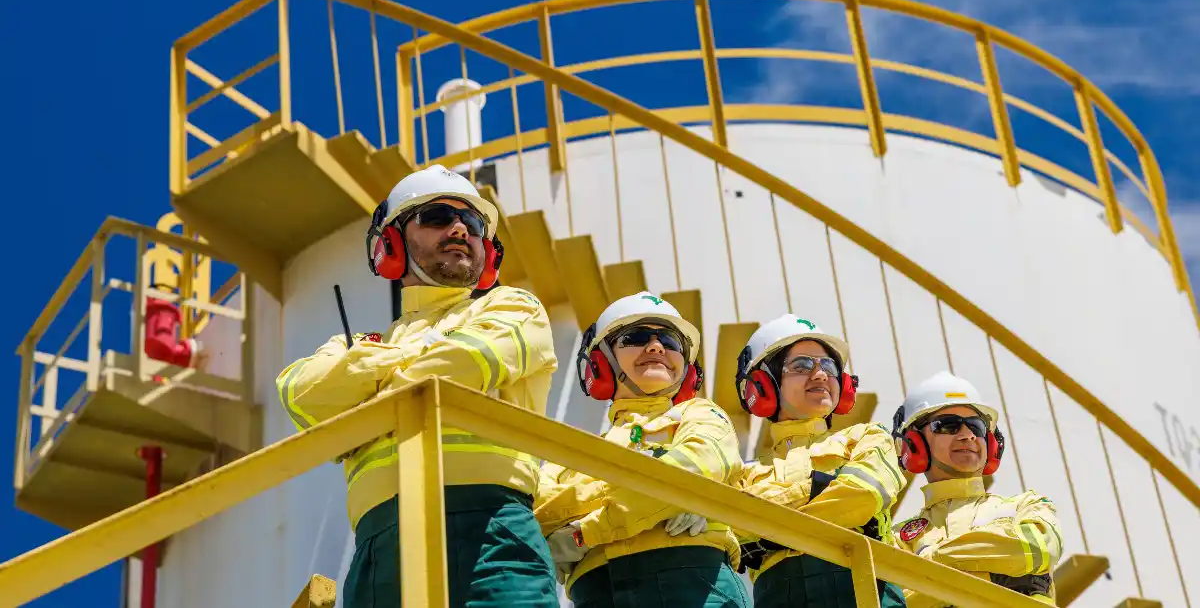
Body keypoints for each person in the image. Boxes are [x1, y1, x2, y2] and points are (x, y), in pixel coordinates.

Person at [275, 165, 559, 608]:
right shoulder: (358, 343)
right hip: (377, 543)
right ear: (390, 245)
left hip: (489, 528)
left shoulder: (514, 307)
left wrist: (366, 398)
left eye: (474, 223)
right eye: (438, 217)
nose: (460, 229)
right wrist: (408, 359)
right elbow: (299, 396)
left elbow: (465, 360)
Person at [534, 292, 750, 608]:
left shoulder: (703, 415)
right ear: (601, 363)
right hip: (598, 591)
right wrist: (669, 499)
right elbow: (541, 510)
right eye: (635, 337)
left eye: (671, 342)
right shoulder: (572, 454)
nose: (656, 347)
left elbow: (698, 465)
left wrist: (588, 531)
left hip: (693, 580)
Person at [734, 315, 907, 608]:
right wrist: (819, 488)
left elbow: (863, 496)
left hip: (867, 590)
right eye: (801, 366)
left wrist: (767, 520)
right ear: (762, 384)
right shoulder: (743, 471)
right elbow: (731, 526)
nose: (820, 375)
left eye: (828, 366)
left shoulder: (868, 437)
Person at [891, 372, 1062, 607]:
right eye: (949, 426)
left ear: (992, 444)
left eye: (976, 427)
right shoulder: (897, 538)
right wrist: (997, 576)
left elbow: (1038, 549)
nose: (968, 435)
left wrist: (932, 561)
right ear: (914, 443)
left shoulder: (1027, 505)